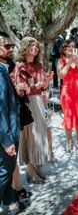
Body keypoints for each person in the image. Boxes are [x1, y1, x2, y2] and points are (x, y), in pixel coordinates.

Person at [12, 37, 53, 183]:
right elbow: (21, 91)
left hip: (38, 102)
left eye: (37, 48)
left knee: (39, 136)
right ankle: (30, 171)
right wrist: (38, 86)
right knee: (29, 137)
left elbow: (43, 86)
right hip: (28, 104)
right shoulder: (20, 67)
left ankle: (36, 168)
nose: (35, 50)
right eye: (32, 47)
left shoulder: (39, 65)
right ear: (25, 48)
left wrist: (46, 83)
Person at [0, 31, 26, 214]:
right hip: (6, 132)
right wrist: (7, 140)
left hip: (9, 129)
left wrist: (17, 91)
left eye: (11, 46)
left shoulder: (4, 68)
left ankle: (10, 201)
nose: (11, 49)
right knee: (3, 171)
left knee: (7, 170)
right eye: (7, 46)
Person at [57, 39, 78, 152]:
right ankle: (69, 142)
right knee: (68, 117)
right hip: (67, 93)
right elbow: (61, 75)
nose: (71, 48)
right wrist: (69, 63)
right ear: (64, 49)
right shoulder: (61, 61)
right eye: (68, 46)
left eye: (73, 46)